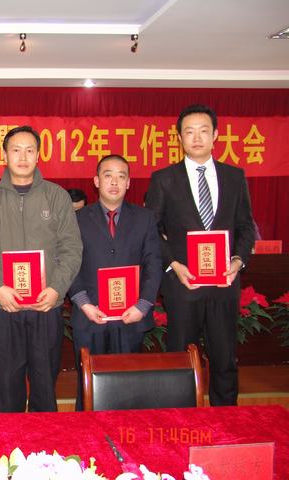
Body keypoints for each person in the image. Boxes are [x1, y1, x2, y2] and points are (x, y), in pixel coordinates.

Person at [145, 104, 255, 406]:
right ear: (179, 137)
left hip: (224, 285)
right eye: (189, 132)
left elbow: (246, 226)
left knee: (224, 360)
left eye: (203, 131)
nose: (196, 138)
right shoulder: (164, 179)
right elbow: (150, 230)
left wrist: (238, 260)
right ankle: (180, 421)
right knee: (180, 360)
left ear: (215, 135)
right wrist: (173, 264)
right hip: (183, 285)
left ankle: (225, 419)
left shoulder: (234, 176)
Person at [0, 125, 82, 412]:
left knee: (45, 384)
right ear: (4, 155)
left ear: (38, 155)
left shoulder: (56, 196)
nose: (23, 157)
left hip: (45, 305)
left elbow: (72, 248)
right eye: (16, 150)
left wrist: (56, 289)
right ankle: (10, 437)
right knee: (7, 385)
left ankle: (44, 439)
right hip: (4, 306)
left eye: (29, 150)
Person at [68, 154, 162, 410]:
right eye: (108, 175)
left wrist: (143, 305)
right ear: (96, 181)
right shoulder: (76, 219)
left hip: (130, 316)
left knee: (128, 389)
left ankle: (126, 434)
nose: (114, 182)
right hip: (90, 316)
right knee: (88, 389)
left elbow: (154, 264)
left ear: (129, 183)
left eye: (121, 176)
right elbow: (67, 263)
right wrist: (83, 303)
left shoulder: (144, 218)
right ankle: (87, 432)